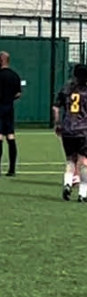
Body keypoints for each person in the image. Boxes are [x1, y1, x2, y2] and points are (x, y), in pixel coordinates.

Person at [53, 64, 87, 201]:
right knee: (84, 161)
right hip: (83, 130)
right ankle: (83, 193)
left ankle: (67, 183)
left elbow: (55, 108)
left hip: (67, 129)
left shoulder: (66, 89)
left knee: (70, 160)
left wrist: (57, 123)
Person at [0, 51, 22, 176]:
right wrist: (10, 99)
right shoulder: (15, 75)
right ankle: (12, 170)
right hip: (9, 108)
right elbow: (18, 93)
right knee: (11, 137)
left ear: (1, 60)